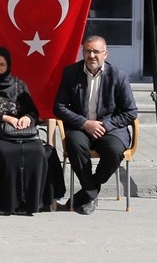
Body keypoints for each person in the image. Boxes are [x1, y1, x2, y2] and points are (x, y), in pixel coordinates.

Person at [53, 35, 138, 216]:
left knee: (115, 151)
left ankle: (88, 191)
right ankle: (91, 193)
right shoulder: (71, 72)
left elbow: (130, 111)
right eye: (87, 51)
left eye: (96, 51)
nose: (91, 55)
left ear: (105, 54)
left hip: (110, 129)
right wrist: (85, 123)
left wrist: (105, 125)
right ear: (83, 52)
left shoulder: (119, 76)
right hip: (81, 127)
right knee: (74, 144)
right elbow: (59, 107)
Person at [0, 46, 48, 216]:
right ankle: (10, 204)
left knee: (38, 151)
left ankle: (31, 204)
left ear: (8, 66)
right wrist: (4, 118)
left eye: (2, 64)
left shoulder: (19, 85)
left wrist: (27, 117)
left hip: (23, 133)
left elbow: (33, 111)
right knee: (8, 153)